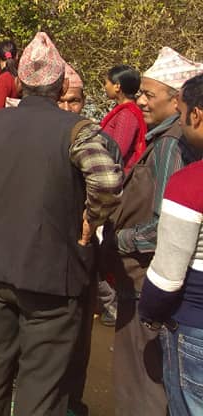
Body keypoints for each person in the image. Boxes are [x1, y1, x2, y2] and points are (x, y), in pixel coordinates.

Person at [0, 33, 123, 416]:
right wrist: (90, 219)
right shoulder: (77, 130)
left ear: (19, 82)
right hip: (53, 274)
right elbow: (107, 181)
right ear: (61, 85)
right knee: (42, 380)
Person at [106, 46, 203, 415]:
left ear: (177, 100)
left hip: (147, 279)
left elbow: (167, 227)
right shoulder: (170, 138)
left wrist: (118, 239)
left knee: (142, 383)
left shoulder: (170, 146)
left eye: (149, 94)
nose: (141, 101)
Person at [140, 73, 203, 415]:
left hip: (194, 326)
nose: (180, 122)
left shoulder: (188, 183)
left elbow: (167, 276)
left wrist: (149, 313)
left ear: (197, 115)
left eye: (182, 113)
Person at [102, 64, 147, 170]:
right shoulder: (122, 110)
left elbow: (118, 151)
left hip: (123, 175)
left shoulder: (127, 114)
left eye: (106, 83)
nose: (105, 87)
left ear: (117, 86)